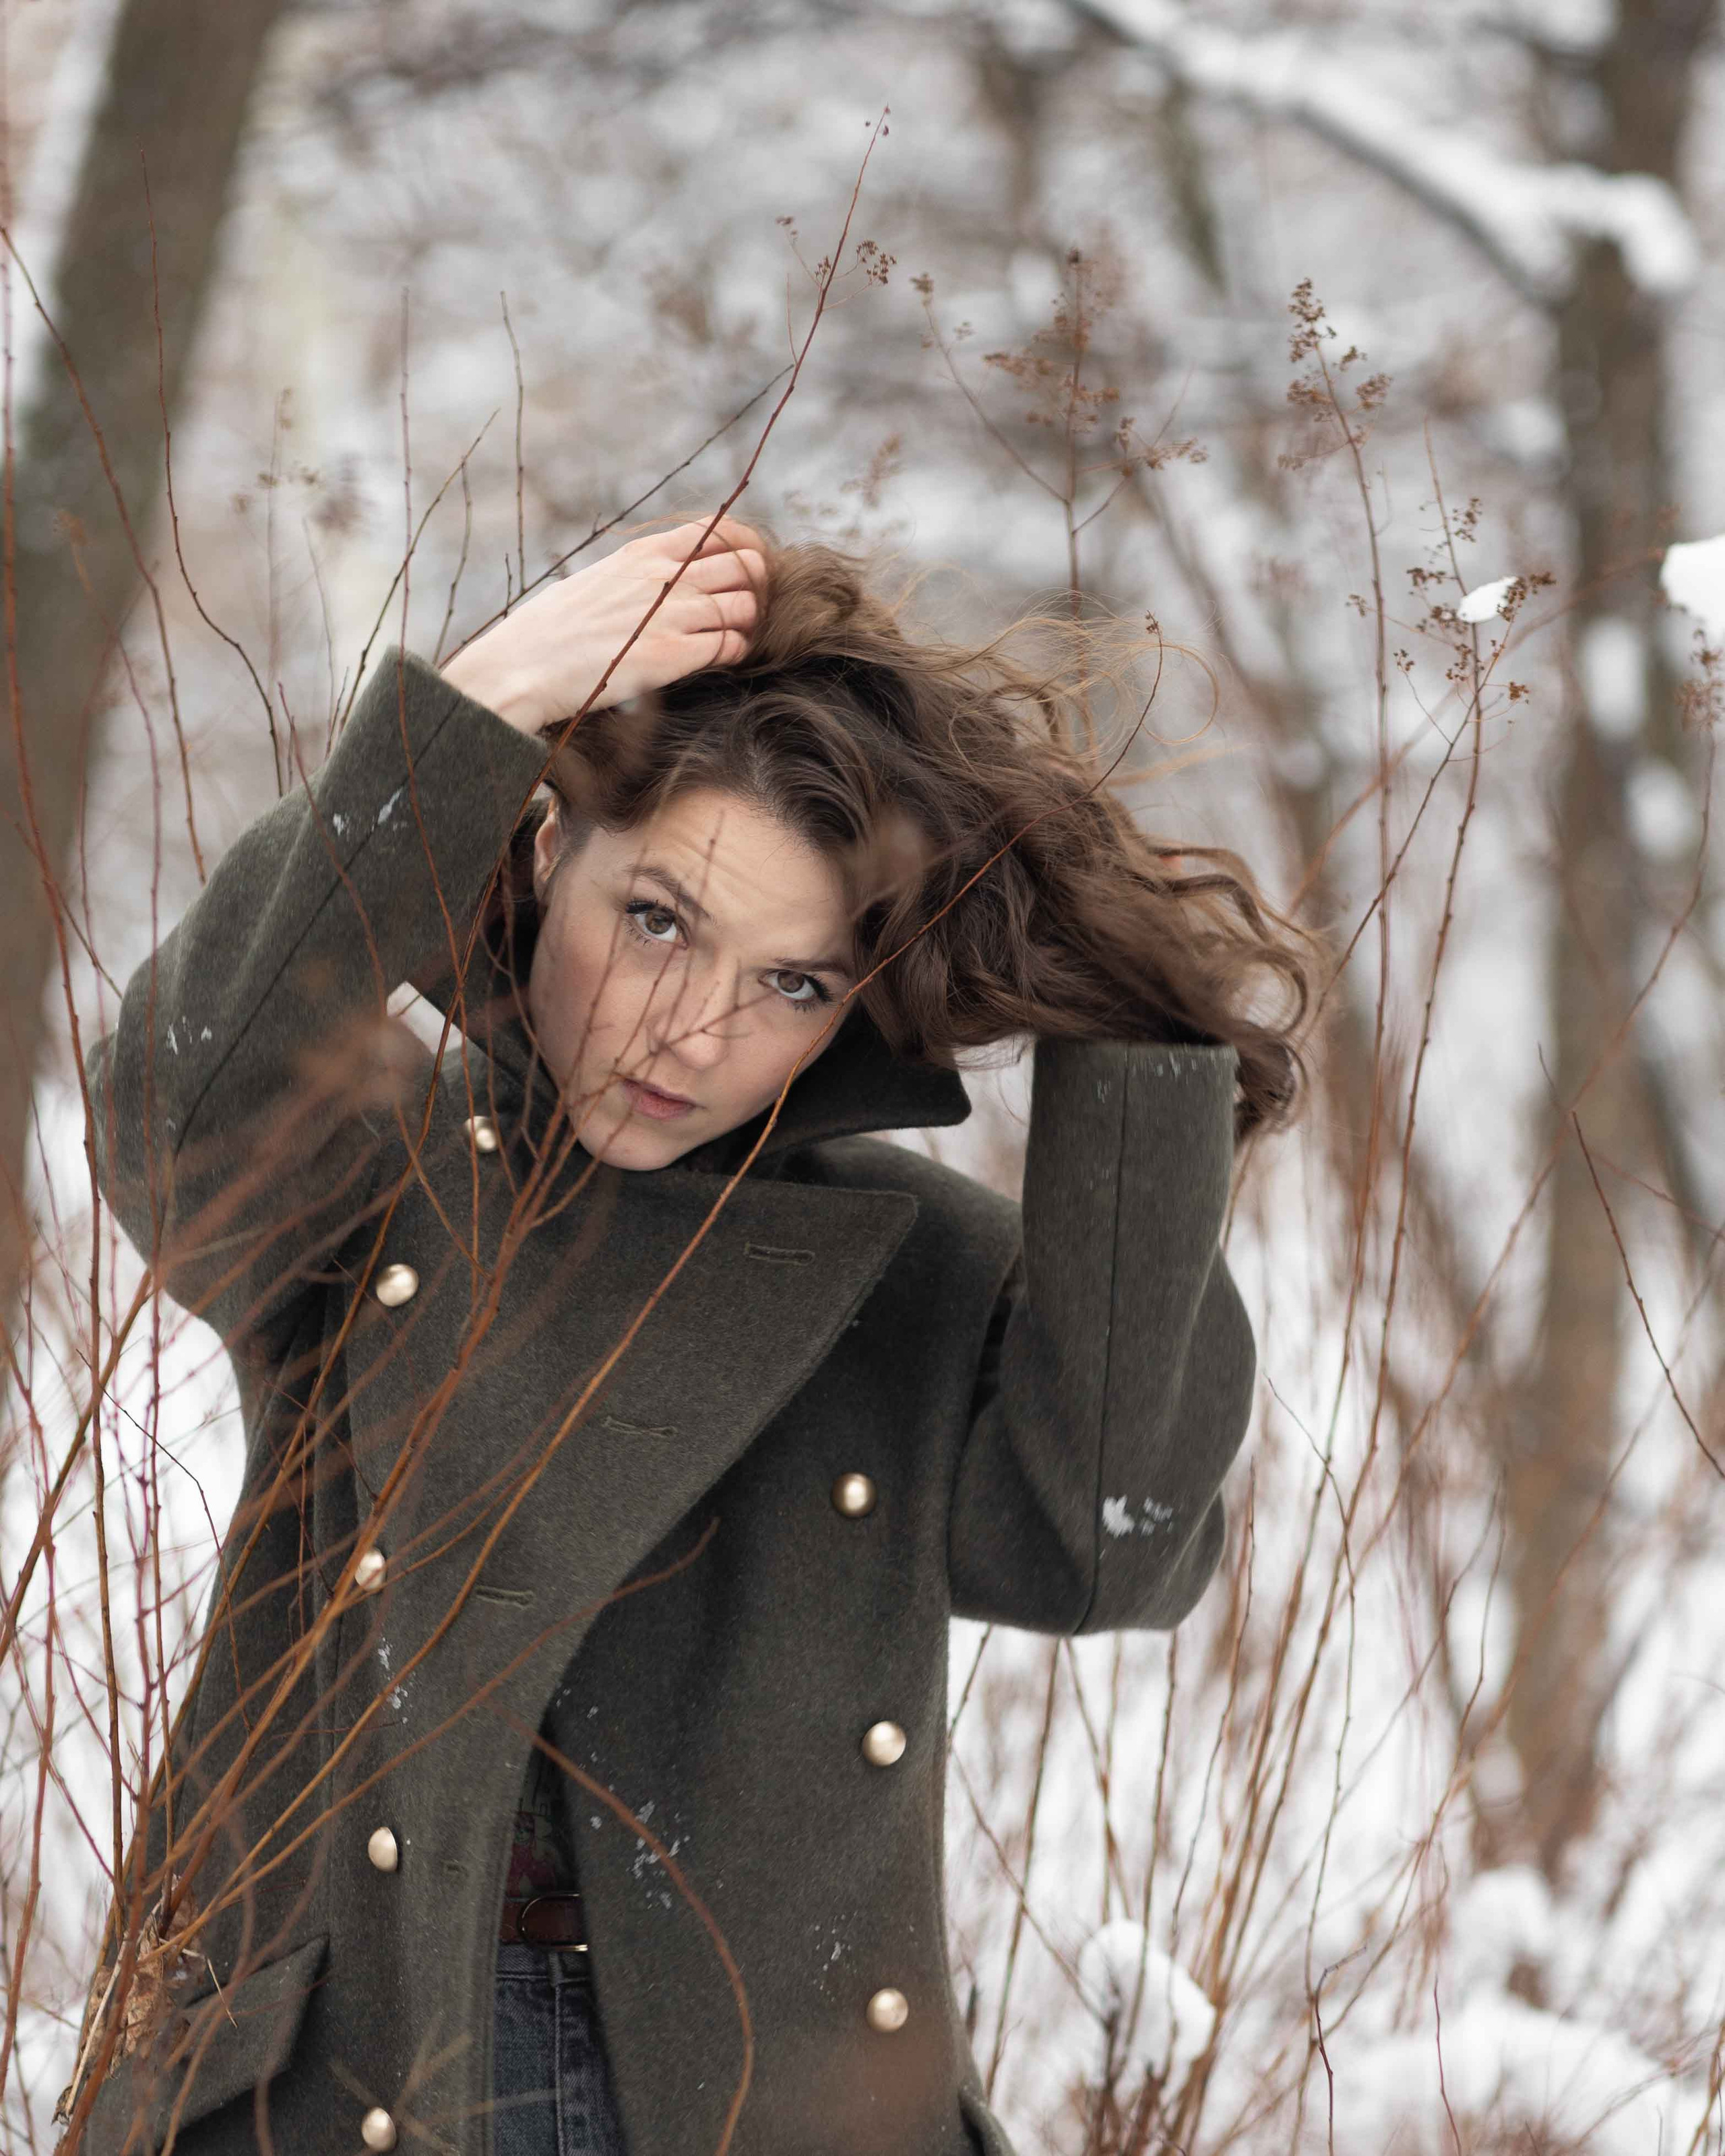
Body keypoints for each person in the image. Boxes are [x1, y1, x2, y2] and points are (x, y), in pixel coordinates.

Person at [67, 519, 1311, 2156]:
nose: (694, 1031)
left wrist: (1135, 1069)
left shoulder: (912, 1262)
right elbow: (176, 1112)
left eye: (792, 982)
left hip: (755, 2091)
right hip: (364, 2062)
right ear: (534, 860)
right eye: (656, 918)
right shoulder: (384, 1176)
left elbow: (1101, 1550)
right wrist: (484, 700)